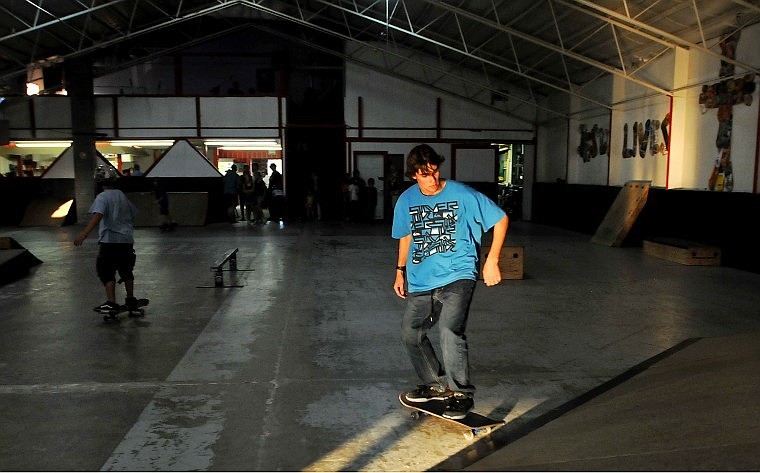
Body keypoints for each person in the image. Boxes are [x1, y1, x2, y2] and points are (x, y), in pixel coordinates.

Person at [392, 144, 508, 420]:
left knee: (449, 330)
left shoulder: (463, 194)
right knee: (411, 333)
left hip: (459, 273)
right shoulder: (406, 200)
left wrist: (492, 260)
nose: (432, 180)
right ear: (413, 175)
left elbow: (500, 219)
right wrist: (399, 270)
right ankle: (435, 383)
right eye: (424, 175)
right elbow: (405, 236)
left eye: (434, 172)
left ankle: (460, 393)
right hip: (421, 279)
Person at [74, 165, 141, 312]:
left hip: (110, 241)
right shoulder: (121, 195)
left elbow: (98, 215)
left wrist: (84, 234)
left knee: (106, 270)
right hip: (126, 240)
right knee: (126, 270)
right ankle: (130, 299)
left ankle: (111, 302)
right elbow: (132, 213)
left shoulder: (102, 197)